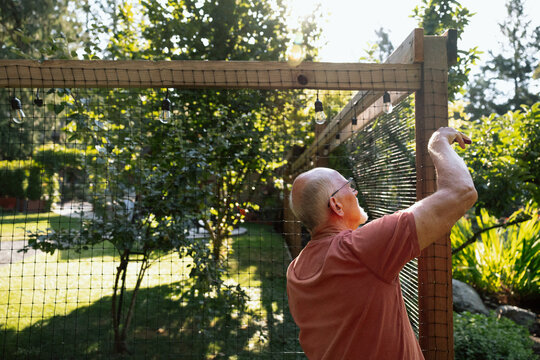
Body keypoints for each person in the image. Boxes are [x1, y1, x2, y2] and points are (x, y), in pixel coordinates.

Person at [286, 127, 477, 359]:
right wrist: (438, 143)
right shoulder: (359, 249)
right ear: (336, 205)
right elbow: (461, 192)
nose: (355, 192)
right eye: (348, 186)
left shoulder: (295, 271)